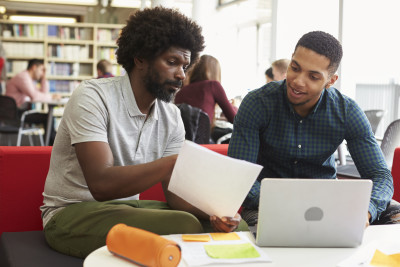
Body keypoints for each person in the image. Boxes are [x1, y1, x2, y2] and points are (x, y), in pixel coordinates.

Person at [40, 7, 247, 259]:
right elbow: (101, 185)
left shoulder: (170, 116)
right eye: (171, 62)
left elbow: (174, 195)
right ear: (140, 58)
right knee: (185, 225)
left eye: (185, 65)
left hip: (125, 208)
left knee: (236, 227)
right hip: (71, 215)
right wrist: (171, 163)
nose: (181, 75)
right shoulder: (93, 96)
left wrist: (216, 214)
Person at [228, 31, 398, 227]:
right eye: (295, 68)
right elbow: (238, 177)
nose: (298, 81)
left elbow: (380, 175)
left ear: (330, 81)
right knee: (280, 236)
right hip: (267, 205)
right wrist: (290, 204)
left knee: (396, 215)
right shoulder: (257, 103)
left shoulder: (347, 111)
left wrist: (367, 211)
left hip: (327, 204)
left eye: (313, 76)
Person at [174, 54, 237, 125]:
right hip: (201, 135)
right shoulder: (213, 85)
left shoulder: (180, 92)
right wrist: (234, 108)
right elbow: (234, 119)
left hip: (180, 135)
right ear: (215, 72)